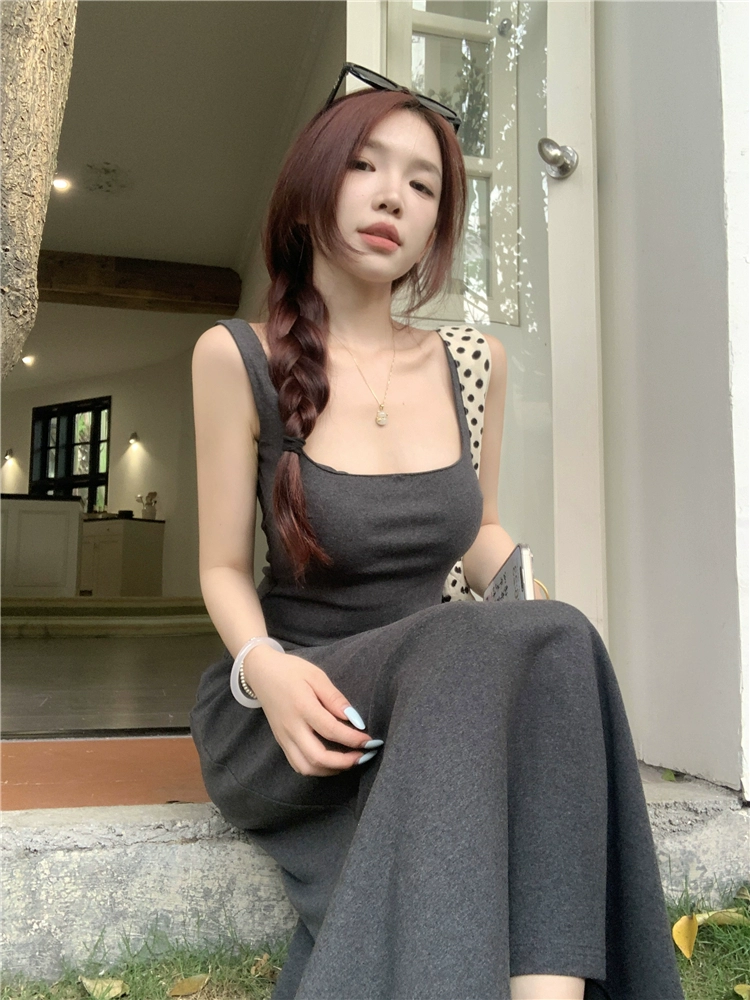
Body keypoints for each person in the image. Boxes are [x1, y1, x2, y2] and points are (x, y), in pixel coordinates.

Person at [188, 66, 685, 1000]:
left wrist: (531, 606)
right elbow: (219, 566)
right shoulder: (237, 357)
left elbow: (480, 529)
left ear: (438, 224)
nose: (393, 198)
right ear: (311, 185)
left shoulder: (472, 362)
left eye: (423, 185)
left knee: (556, 635)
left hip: (439, 696)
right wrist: (264, 669)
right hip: (301, 705)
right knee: (484, 641)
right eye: (366, 166)